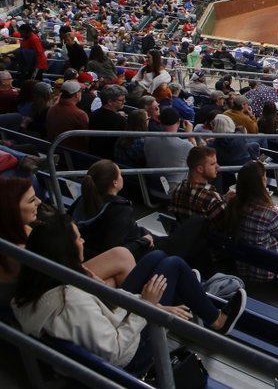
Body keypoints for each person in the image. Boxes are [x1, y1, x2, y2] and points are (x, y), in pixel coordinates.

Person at [12, 214, 246, 373]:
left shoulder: (34, 288)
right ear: (65, 251)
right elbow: (118, 354)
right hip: (132, 356)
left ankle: (186, 296)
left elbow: (106, 309)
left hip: (115, 323)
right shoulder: (71, 302)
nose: (82, 241)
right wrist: (146, 306)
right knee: (173, 264)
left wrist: (154, 305)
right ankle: (217, 321)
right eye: (78, 238)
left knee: (156, 258)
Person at [0, 178, 135, 305]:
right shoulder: (20, 251)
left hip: (50, 286)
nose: (39, 201)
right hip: (47, 296)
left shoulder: (18, 231)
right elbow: (66, 274)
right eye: (31, 200)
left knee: (118, 266)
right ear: (11, 209)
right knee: (121, 260)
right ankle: (141, 310)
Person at [170, 147, 229, 229]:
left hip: (185, 238)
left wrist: (223, 198)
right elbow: (227, 227)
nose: (217, 166)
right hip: (207, 240)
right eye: (212, 164)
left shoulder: (177, 188)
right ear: (200, 169)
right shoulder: (211, 198)